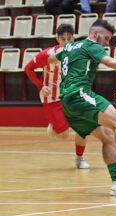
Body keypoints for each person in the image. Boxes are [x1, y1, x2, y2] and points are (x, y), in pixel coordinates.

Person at [50, 20, 116, 195]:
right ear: (95, 34)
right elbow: (111, 62)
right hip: (79, 94)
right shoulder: (92, 45)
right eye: (106, 38)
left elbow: (50, 58)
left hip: (67, 103)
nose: (107, 42)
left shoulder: (70, 47)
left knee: (107, 136)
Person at [24, 24, 90, 169]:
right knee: (64, 135)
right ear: (57, 39)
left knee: (82, 127)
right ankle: (54, 127)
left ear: (74, 38)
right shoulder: (47, 54)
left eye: (69, 38)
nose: (66, 42)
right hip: (52, 98)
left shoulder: (79, 53)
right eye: (63, 39)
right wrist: (41, 86)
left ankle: (79, 159)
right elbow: (28, 68)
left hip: (71, 96)